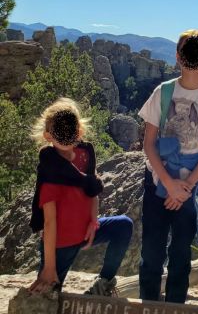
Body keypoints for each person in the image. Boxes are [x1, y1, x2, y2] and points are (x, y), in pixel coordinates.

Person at [138, 29, 198, 303]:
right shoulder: (165, 93)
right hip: (171, 185)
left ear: (178, 56)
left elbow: (150, 144)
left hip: (182, 187)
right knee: (161, 253)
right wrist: (174, 186)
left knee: (172, 254)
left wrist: (180, 188)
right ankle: (153, 311)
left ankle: (161, 312)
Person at [29, 97, 133, 295]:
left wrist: (94, 221)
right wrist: (49, 268)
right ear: (48, 136)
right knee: (48, 295)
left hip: (85, 232)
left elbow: (92, 190)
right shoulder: (51, 171)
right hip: (62, 242)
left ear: (79, 132)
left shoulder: (84, 155)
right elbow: (49, 222)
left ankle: (104, 283)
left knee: (124, 226)